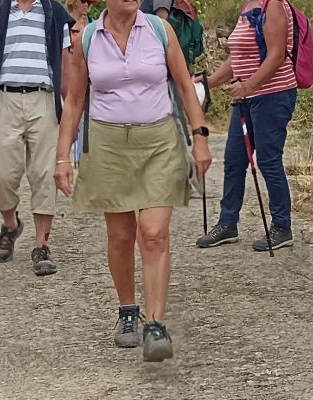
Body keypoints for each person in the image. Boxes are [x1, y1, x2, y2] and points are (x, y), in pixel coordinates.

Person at [55, 0, 211, 362]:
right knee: (121, 235)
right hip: (108, 145)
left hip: (158, 142)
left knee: (153, 232)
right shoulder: (89, 37)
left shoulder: (159, 30)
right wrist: (63, 156)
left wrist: (200, 136)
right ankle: (128, 309)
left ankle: (155, 324)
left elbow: (186, 87)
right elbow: (75, 101)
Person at [0, 0, 76, 276]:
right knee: (1, 174)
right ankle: (11, 225)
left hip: (44, 99)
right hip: (5, 100)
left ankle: (41, 245)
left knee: (45, 173)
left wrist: (72, 114)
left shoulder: (54, 12)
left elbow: (65, 65)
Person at [194, 0, 298, 252]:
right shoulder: (248, 6)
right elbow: (238, 59)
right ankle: (228, 223)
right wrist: (208, 82)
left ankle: (282, 227)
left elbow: (276, 55)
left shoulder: (272, 5)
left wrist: (249, 84)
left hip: (273, 95)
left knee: (268, 160)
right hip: (247, 98)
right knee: (234, 159)